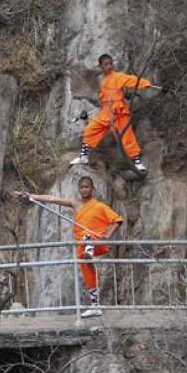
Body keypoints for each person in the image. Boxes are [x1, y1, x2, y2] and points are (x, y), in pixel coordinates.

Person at [15, 176, 123, 318]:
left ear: (93, 189)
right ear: (79, 189)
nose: (85, 189)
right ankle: (95, 306)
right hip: (82, 247)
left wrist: (108, 235)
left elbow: (118, 220)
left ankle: (89, 250)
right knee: (89, 275)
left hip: (95, 242)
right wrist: (31, 196)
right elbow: (53, 199)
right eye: (82, 187)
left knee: (87, 235)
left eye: (87, 187)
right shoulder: (76, 204)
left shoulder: (100, 206)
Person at [70, 54, 165, 174]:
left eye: (110, 63)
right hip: (106, 111)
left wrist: (149, 85)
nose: (109, 66)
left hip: (119, 111)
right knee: (90, 130)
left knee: (127, 136)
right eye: (106, 64)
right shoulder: (101, 80)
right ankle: (83, 156)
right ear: (101, 66)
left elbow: (133, 80)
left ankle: (137, 162)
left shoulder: (118, 76)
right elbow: (104, 97)